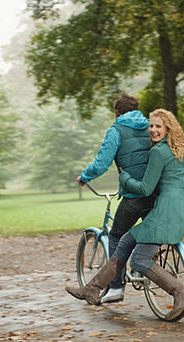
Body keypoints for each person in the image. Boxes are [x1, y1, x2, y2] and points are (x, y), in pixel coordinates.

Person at [67, 109, 184, 321]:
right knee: (126, 240)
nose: (153, 130)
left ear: (168, 129)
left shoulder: (158, 152)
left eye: (158, 127)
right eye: (151, 126)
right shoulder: (181, 151)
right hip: (181, 209)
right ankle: (92, 289)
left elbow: (145, 188)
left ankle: (180, 292)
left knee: (138, 259)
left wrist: (124, 178)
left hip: (165, 211)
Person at [76, 93, 156, 303]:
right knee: (146, 231)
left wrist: (84, 177)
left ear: (117, 112)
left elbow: (101, 163)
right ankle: (142, 269)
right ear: (137, 109)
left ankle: (115, 287)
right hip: (156, 192)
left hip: (133, 194)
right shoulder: (152, 126)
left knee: (116, 236)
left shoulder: (116, 130)